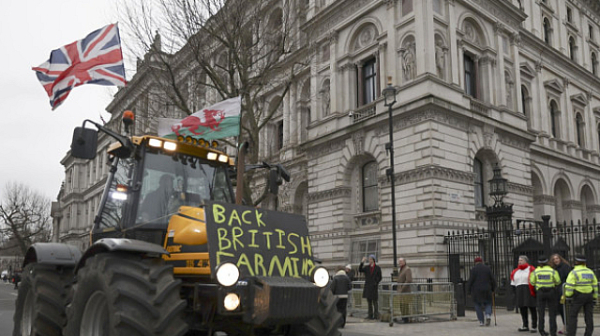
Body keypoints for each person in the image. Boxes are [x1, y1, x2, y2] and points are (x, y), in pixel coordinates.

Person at [563, 255, 598, 336]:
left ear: (576, 262)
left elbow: (569, 285)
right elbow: (595, 285)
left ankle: (571, 333)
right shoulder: (590, 271)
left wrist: (568, 295)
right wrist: (595, 296)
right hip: (589, 296)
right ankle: (588, 334)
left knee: (573, 315)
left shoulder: (574, 272)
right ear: (585, 262)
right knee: (589, 316)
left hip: (578, 296)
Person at [530, 256, 560, 336]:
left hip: (540, 292)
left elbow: (532, 282)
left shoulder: (536, 271)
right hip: (551, 292)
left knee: (541, 312)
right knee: (552, 313)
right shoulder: (552, 271)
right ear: (547, 262)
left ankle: (542, 331)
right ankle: (553, 332)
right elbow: (558, 281)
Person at [467, 256, 496, 327]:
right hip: (487, 289)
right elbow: (493, 279)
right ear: (482, 261)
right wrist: (493, 289)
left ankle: (481, 321)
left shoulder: (473, 270)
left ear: (475, 262)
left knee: (477, 305)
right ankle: (488, 315)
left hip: (476, 291)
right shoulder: (487, 269)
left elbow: (470, 281)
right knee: (488, 303)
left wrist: (468, 291)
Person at [511, 255, 537, 332]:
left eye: (521, 260)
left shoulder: (531, 269)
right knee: (522, 308)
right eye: (519, 260)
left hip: (529, 289)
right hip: (519, 289)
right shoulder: (515, 271)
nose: (519, 262)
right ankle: (525, 325)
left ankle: (534, 326)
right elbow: (513, 281)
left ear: (526, 261)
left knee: (532, 308)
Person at [550, 253, 571, 334]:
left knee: (565, 310)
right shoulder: (553, 268)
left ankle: (566, 327)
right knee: (561, 310)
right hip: (557, 291)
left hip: (564, 290)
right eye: (554, 259)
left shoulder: (565, 267)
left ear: (560, 259)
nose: (555, 260)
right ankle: (565, 326)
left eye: (557, 258)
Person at [359, 254, 382, 320]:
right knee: (369, 302)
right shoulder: (367, 268)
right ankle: (370, 315)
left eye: (370, 259)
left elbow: (380, 277)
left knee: (375, 302)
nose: (369, 260)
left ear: (373, 260)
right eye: (369, 259)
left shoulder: (377, 268)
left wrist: (376, 282)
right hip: (368, 286)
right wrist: (362, 262)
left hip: (374, 287)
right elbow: (360, 270)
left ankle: (376, 315)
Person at [396, 257, 413, 323]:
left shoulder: (407, 269)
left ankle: (406, 319)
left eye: (401, 262)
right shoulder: (400, 269)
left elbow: (409, 280)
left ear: (404, 262)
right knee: (401, 305)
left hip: (405, 290)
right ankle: (403, 317)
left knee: (405, 305)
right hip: (400, 290)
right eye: (399, 262)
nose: (399, 263)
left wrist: (402, 288)